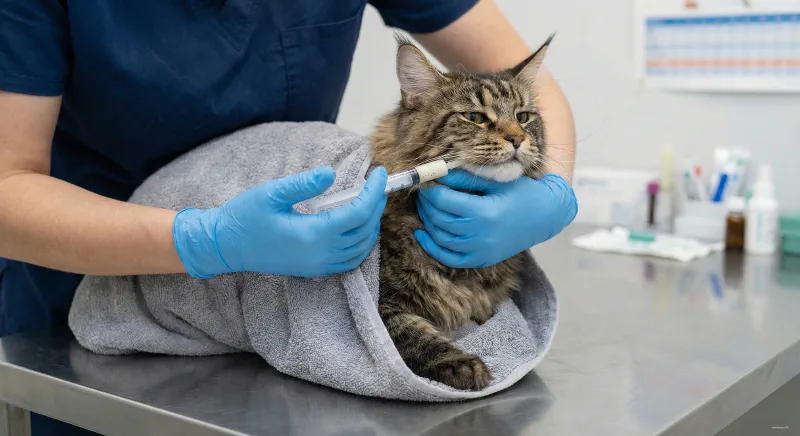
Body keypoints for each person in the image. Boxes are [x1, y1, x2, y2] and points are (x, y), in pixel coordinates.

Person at [0, 1, 577, 434]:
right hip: (81, 270)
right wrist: (206, 241)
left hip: (304, 249)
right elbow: (7, 187)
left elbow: (529, 81)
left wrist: (553, 192)